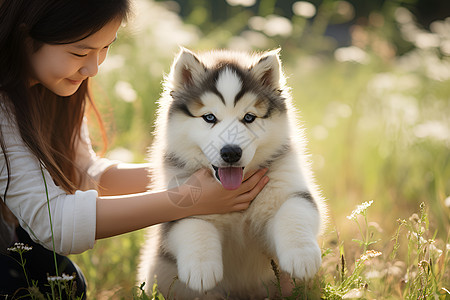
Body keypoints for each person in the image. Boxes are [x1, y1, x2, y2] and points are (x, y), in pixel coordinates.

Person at [0, 0, 269, 298]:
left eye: (105, 48)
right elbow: (54, 222)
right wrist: (188, 199)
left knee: (67, 285)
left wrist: (196, 172)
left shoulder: (50, 87)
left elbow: (83, 173)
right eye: (80, 52)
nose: (93, 67)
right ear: (25, 38)